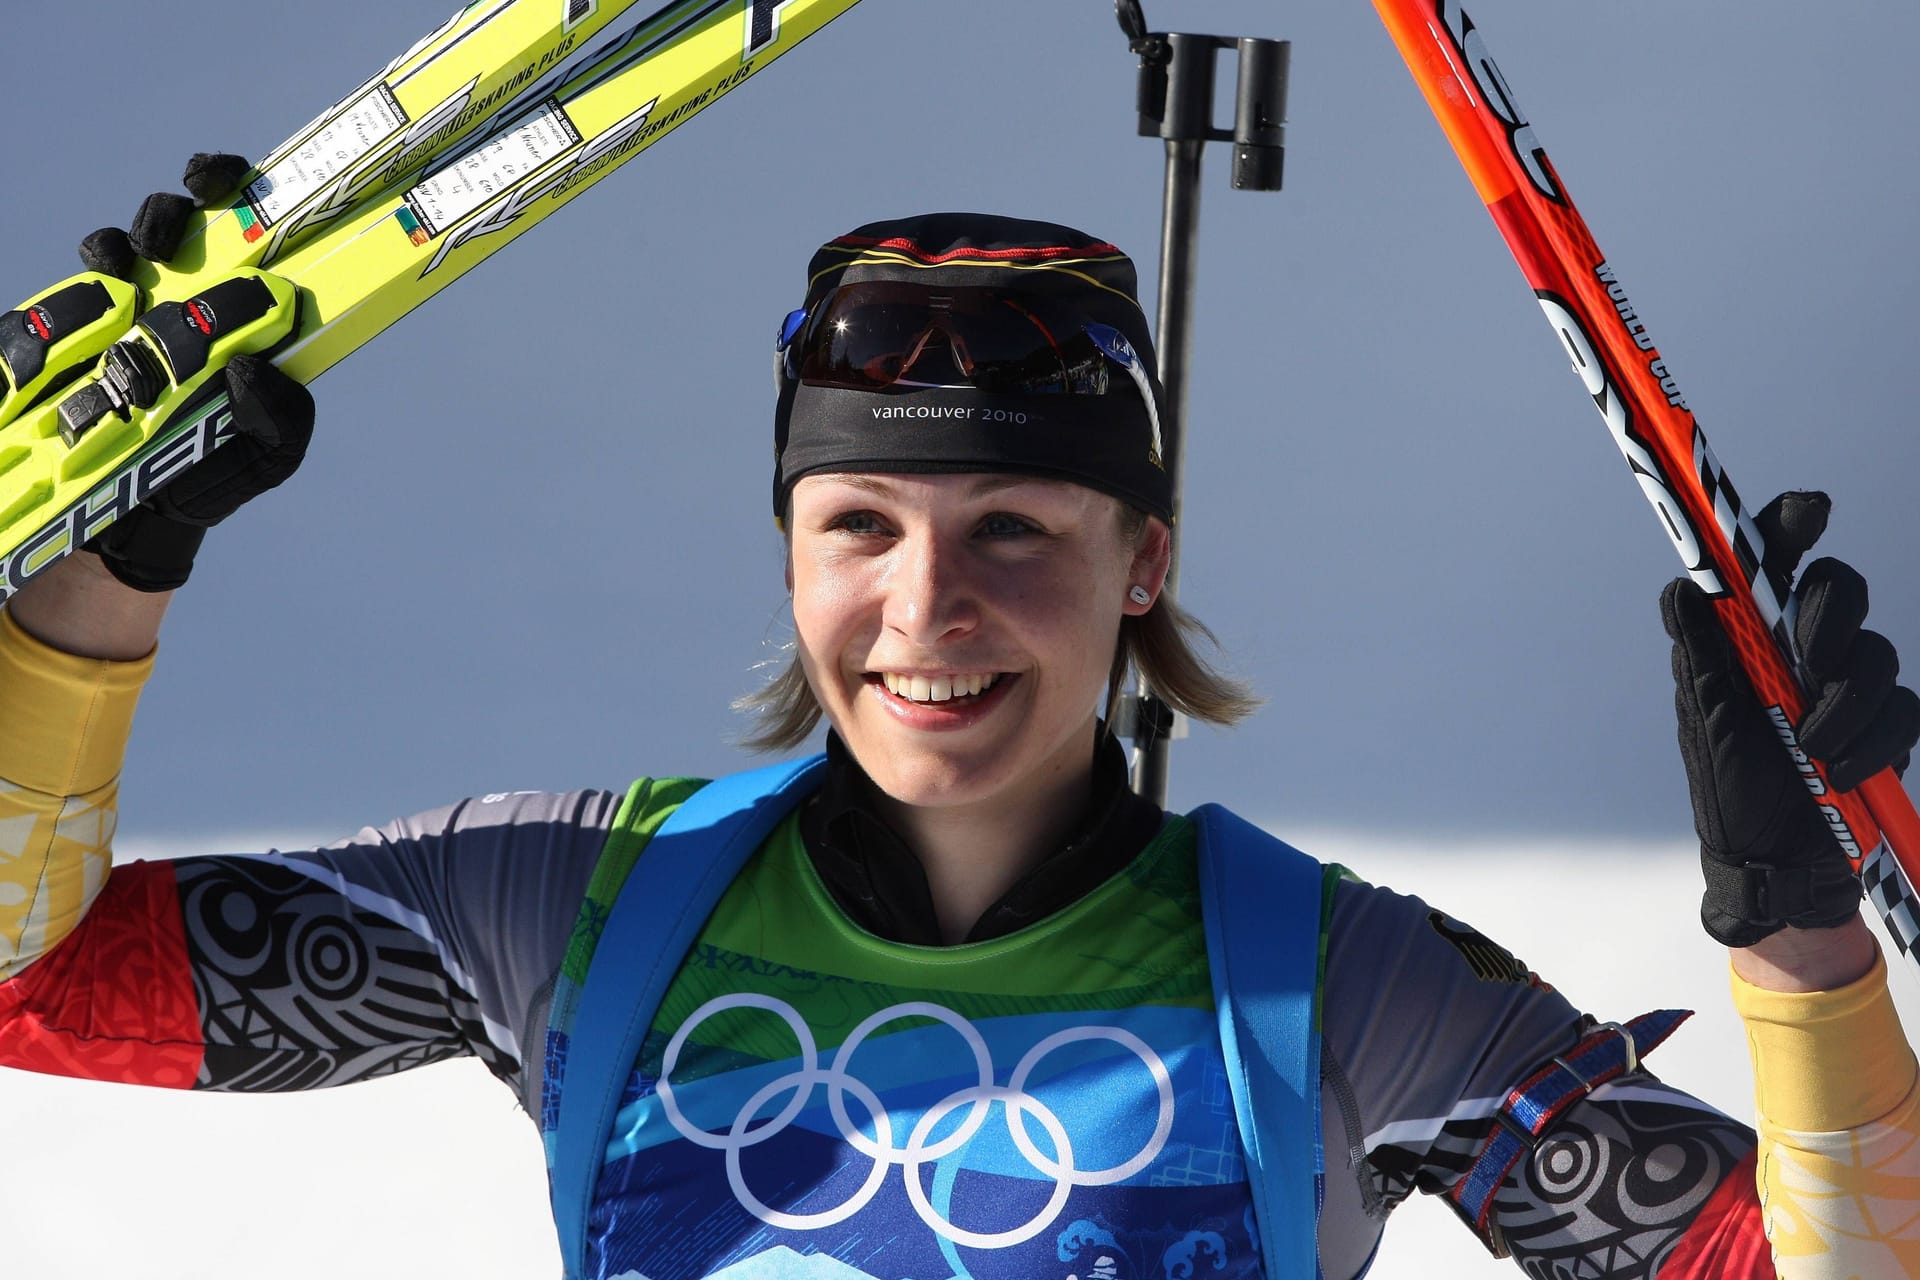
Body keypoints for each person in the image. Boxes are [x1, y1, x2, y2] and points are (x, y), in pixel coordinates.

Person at [2, 198, 1916, 1280]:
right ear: (789, 551)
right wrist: (94, 579)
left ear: (1143, 558)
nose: (929, 611)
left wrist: (1798, 939)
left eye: (1016, 529)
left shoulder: (1340, 990)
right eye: (862, 529)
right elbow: (31, 977)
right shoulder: (583, 899)